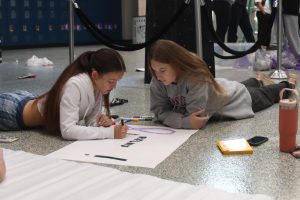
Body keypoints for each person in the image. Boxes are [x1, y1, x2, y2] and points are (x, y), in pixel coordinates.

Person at [148, 39, 297, 129]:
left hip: (233, 99)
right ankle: (257, 81)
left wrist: (174, 119)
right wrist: (183, 121)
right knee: (235, 86)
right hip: (217, 89)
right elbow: (159, 111)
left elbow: (195, 117)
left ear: (177, 64)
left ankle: (287, 84)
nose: (158, 76)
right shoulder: (157, 80)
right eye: (154, 71)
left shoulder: (195, 77)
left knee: (267, 95)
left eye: (163, 70)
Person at [0, 48, 128, 140]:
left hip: (29, 100)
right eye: (111, 81)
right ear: (95, 74)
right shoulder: (75, 85)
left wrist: (101, 123)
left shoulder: (98, 87)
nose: (114, 86)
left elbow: (90, 121)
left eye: (116, 81)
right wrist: (109, 133)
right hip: (11, 111)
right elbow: (68, 131)